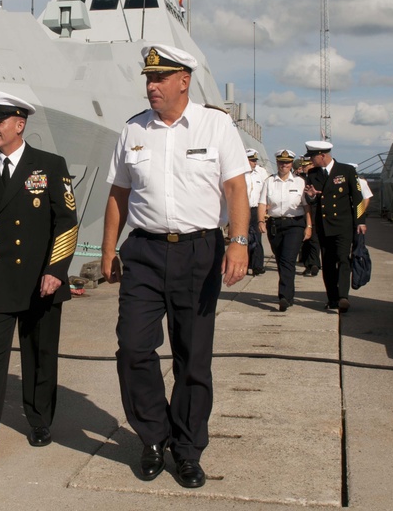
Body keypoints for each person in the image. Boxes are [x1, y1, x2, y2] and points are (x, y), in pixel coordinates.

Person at [100, 43, 250, 489]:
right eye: (148, 78)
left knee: (192, 358)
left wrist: (238, 242)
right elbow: (118, 195)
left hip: (199, 253)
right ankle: (152, 437)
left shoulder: (215, 125)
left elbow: (237, 188)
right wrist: (110, 249)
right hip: (143, 253)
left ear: (184, 80)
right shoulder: (133, 130)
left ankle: (186, 450)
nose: (151, 86)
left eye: (160, 78)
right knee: (132, 348)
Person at [0, 90, 79, 464]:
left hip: (41, 280)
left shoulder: (50, 165)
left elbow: (67, 223)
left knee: (39, 355)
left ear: (20, 124)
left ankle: (39, 420)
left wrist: (56, 271)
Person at [302, 141, 366, 313]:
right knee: (328, 263)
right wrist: (311, 197)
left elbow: (358, 198)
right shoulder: (313, 174)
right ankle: (332, 298)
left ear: (322, 155)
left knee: (343, 259)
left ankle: (343, 296)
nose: (311, 161)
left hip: (344, 224)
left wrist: (360, 221)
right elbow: (310, 200)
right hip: (324, 225)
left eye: (313, 157)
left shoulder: (346, 171)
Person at [256, 149, 311, 311]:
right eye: (281, 162)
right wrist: (260, 220)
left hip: (295, 224)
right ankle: (289, 293)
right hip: (275, 224)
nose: (284, 165)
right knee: (281, 260)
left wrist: (309, 226)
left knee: (288, 259)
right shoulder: (269, 181)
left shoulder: (300, 182)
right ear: (277, 163)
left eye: (287, 163)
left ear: (291, 164)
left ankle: (284, 297)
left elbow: (307, 206)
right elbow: (261, 203)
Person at [295, 158, 321, 277]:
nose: (305, 167)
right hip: (301, 212)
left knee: (314, 239)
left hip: (314, 212)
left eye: (307, 165)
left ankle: (314, 263)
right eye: (304, 165)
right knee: (304, 241)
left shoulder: (317, 177)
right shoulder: (299, 179)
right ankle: (307, 264)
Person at [245, 148, 269, 276]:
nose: (254, 163)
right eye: (251, 160)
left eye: (255, 160)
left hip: (255, 209)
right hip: (243, 209)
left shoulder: (260, 174)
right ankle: (245, 265)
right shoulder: (240, 174)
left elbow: (267, 190)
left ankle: (257, 265)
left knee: (257, 238)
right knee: (243, 239)